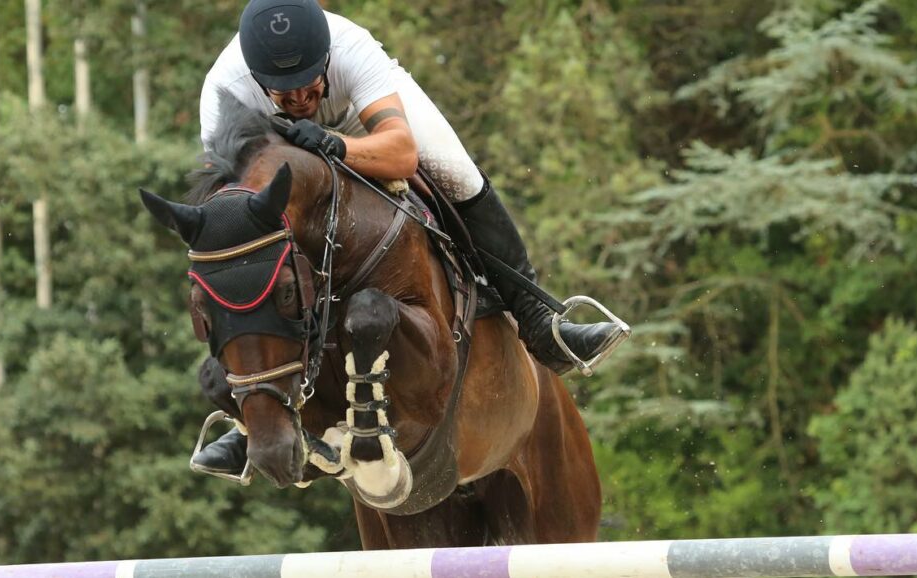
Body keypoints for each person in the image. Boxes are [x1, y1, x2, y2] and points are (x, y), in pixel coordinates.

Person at [190, 0, 625, 476]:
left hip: (361, 126)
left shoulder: (351, 50)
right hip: (278, 156)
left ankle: (540, 323)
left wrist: (337, 144)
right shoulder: (224, 92)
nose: (298, 98)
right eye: (282, 91)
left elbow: (400, 155)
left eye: (309, 83)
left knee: (457, 173)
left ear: (326, 61)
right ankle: (254, 409)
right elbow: (234, 221)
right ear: (256, 78)